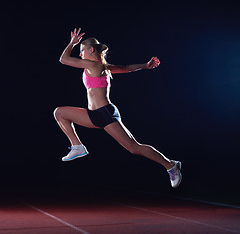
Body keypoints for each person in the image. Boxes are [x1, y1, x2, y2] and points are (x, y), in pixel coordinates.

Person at [54, 28, 182, 188]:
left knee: (134, 148)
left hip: (105, 114)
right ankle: (77, 146)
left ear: (91, 50)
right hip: (93, 115)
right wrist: (145, 65)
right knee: (59, 113)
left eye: (82, 50)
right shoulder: (103, 66)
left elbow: (63, 59)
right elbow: (126, 67)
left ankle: (171, 165)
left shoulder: (93, 65)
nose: (80, 54)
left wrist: (72, 43)